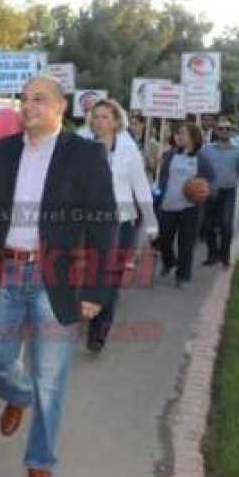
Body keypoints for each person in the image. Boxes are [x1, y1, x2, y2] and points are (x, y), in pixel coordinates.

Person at [0, 76, 118, 477]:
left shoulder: (85, 155)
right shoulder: (2, 151)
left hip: (56, 281)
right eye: (24, 99)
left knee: (52, 377)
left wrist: (96, 291)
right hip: (6, 273)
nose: (28, 106)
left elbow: (106, 226)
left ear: (61, 107)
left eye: (39, 99)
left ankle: (40, 460)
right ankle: (18, 394)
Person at [78, 99, 158, 353]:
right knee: (87, 273)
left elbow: (140, 186)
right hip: (88, 221)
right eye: (96, 116)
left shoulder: (128, 149)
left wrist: (151, 221)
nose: (99, 121)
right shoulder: (82, 142)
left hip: (121, 223)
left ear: (115, 121)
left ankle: (99, 332)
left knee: (109, 280)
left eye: (104, 117)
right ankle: (85, 311)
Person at [155, 123, 215, 287]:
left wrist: (203, 191)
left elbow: (210, 179)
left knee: (186, 243)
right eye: (178, 134)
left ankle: (183, 276)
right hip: (168, 204)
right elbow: (162, 177)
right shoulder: (170, 155)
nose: (178, 136)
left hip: (190, 208)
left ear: (193, 137)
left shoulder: (201, 159)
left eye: (182, 134)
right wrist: (158, 195)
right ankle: (169, 261)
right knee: (164, 239)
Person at [199, 118, 239, 269]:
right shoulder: (206, 150)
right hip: (209, 192)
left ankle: (225, 256)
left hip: (227, 192)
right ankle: (212, 254)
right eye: (221, 129)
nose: (224, 131)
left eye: (227, 129)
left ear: (232, 132)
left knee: (226, 225)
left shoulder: (238, 152)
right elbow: (198, 168)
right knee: (208, 226)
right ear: (216, 131)